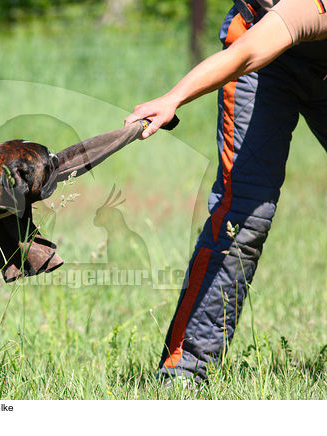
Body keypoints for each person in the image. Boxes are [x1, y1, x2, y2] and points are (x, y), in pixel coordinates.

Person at [124, 0, 327, 381]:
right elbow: (248, 54)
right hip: (262, 48)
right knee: (243, 214)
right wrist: (173, 98)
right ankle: (185, 370)